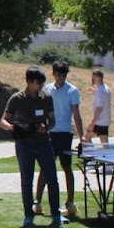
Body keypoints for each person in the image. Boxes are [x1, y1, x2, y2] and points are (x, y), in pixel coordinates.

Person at [0, 67, 60, 226]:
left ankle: (56, 214)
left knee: (52, 178)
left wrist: (47, 127)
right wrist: (13, 127)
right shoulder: (17, 98)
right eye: (38, 83)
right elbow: (3, 121)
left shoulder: (46, 97)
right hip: (24, 144)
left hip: (43, 143)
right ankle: (28, 215)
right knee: (27, 180)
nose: (41, 86)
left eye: (42, 83)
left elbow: (52, 120)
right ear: (29, 82)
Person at [38, 62, 82, 218]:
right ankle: (37, 202)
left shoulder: (72, 91)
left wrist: (81, 137)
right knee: (45, 167)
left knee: (67, 167)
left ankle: (70, 202)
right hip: (50, 133)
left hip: (65, 134)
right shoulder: (47, 89)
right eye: (58, 75)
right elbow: (42, 110)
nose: (61, 78)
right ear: (54, 74)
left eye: (64, 75)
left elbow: (76, 114)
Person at [87, 69, 112, 144]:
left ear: (98, 78)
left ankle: (91, 151)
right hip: (105, 120)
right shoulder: (106, 88)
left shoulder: (100, 91)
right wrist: (94, 91)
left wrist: (92, 123)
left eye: (93, 77)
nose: (92, 79)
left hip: (99, 122)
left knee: (86, 138)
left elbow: (99, 108)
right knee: (104, 142)